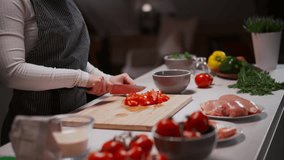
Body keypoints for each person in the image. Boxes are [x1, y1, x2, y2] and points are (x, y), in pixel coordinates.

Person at [0, 0, 135, 145]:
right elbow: (12, 72)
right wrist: (81, 78)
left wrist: (106, 79)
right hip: (32, 133)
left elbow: (71, 57)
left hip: (76, 120)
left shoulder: (67, 3)